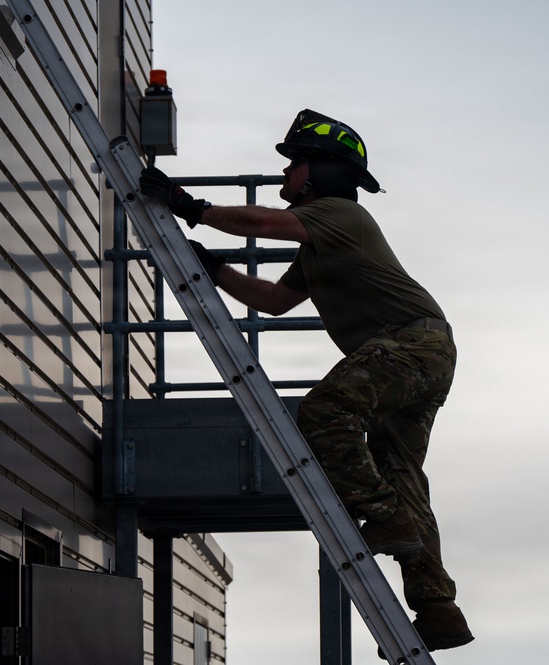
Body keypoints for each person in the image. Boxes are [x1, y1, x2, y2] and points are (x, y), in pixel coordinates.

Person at [139, 109, 473, 653]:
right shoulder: (321, 247)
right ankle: (438, 609)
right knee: (402, 473)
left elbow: (267, 223)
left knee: (324, 411)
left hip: (412, 344)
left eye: (295, 164)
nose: (285, 175)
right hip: (423, 353)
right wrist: (214, 269)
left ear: (324, 173)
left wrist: (189, 206)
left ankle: (386, 518)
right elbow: (273, 302)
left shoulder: (341, 215)